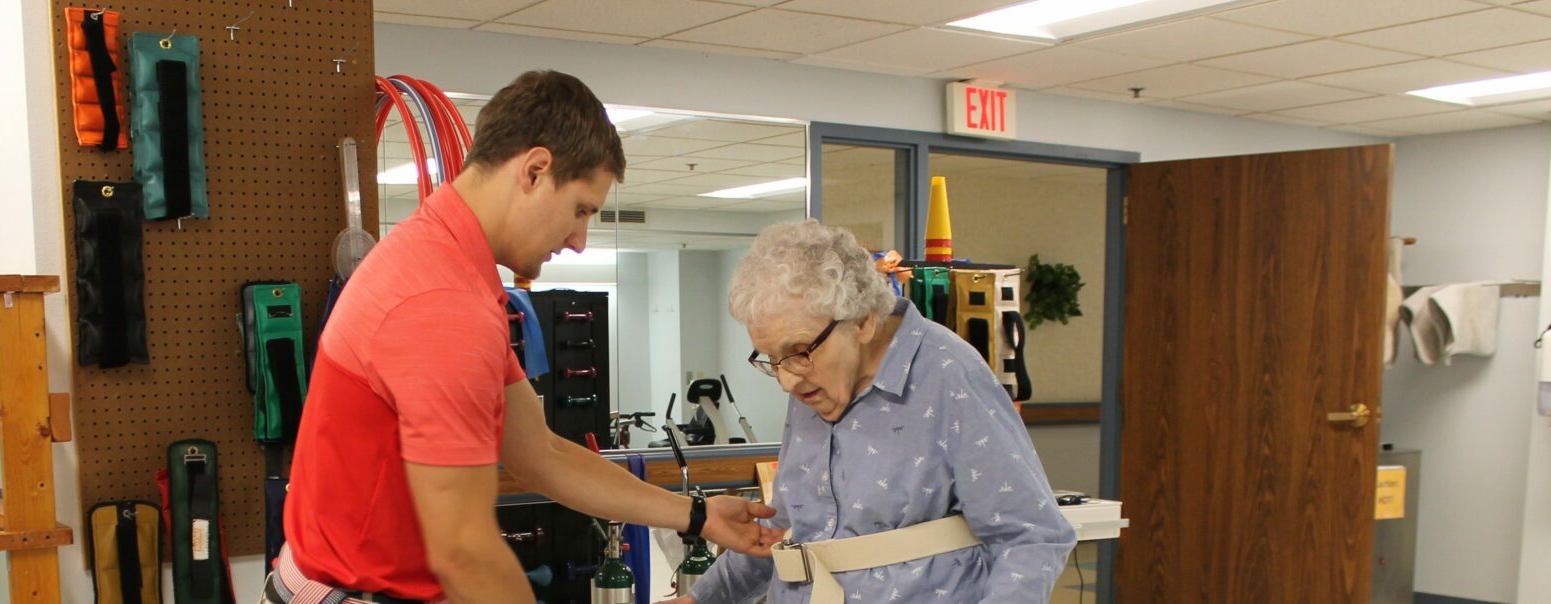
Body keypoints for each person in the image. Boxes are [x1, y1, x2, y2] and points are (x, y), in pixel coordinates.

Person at [274, 71, 783, 604]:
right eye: (581, 209)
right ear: (536, 171)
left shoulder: (453, 269)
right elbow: (463, 551)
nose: (581, 241)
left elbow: (540, 454)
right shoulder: (442, 302)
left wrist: (698, 515)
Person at [666, 221, 1075, 604]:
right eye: (772, 359)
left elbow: (1031, 538)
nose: (787, 380)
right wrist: (700, 598)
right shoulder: (811, 380)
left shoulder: (948, 374)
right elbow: (786, 533)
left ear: (862, 321)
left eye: (799, 352)